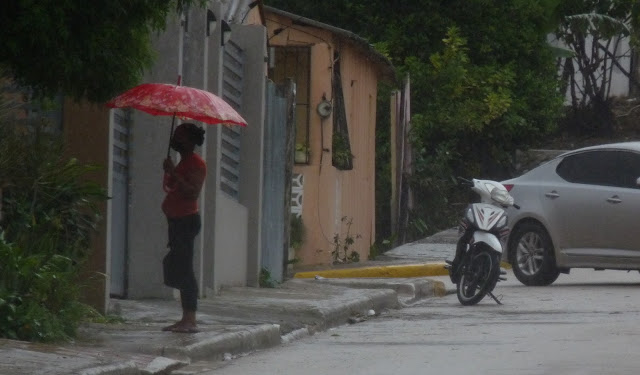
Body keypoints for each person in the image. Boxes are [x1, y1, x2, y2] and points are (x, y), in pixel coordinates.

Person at [161, 122, 207, 333]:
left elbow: (192, 192)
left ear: (189, 141)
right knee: (176, 266)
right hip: (176, 220)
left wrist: (174, 173)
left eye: (180, 136)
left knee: (184, 269)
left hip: (186, 221)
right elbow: (173, 187)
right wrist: (169, 172)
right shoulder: (184, 162)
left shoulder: (196, 163)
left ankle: (190, 318)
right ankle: (185, 317)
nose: (176, 140)